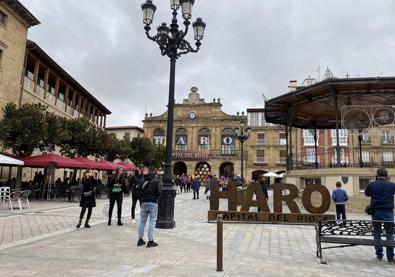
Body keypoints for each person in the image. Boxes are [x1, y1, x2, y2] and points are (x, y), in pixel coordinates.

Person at [365, 167, 395, 263]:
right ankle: (390, 257)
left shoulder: (372, 184)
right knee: (389, 234)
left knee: (377, 233)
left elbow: (367, 193)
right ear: (387, 175)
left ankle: (379, 254)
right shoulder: (392, 185)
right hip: (388, 212)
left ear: (377, 175)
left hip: (376, 212)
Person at [137, 166, 161, 248]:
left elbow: (138, 191)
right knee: (152, 221)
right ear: (154, 171)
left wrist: (142, 199)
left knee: (142, 221)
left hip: (144, 202)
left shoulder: (143, 179)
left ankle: (140, 239)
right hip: (153, 202)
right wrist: (156, 198)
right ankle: (150, 241)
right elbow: (159, 191)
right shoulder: (157, 180)